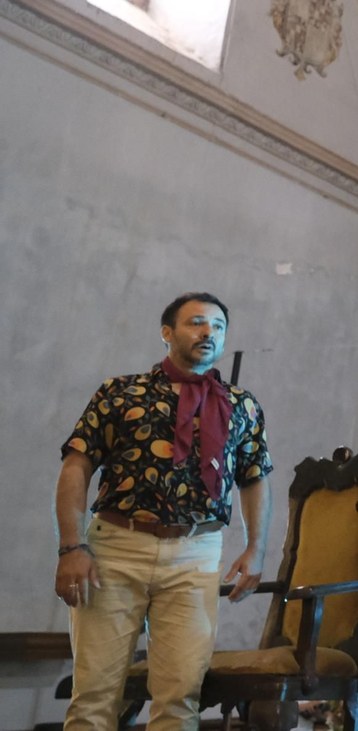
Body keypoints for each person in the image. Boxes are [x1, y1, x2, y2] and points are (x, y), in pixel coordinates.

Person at [54, 293, 273, 731]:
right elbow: (76, 466)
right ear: (167, 332)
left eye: (217, 326)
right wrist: (71, 547)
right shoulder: (120, 392)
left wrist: (256, 548)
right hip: (115, 550)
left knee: (180, 699)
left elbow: (254, 477)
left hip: (196, 555)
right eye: (196, 323)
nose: (208, 332)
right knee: (95, 696)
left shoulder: (241, 405)